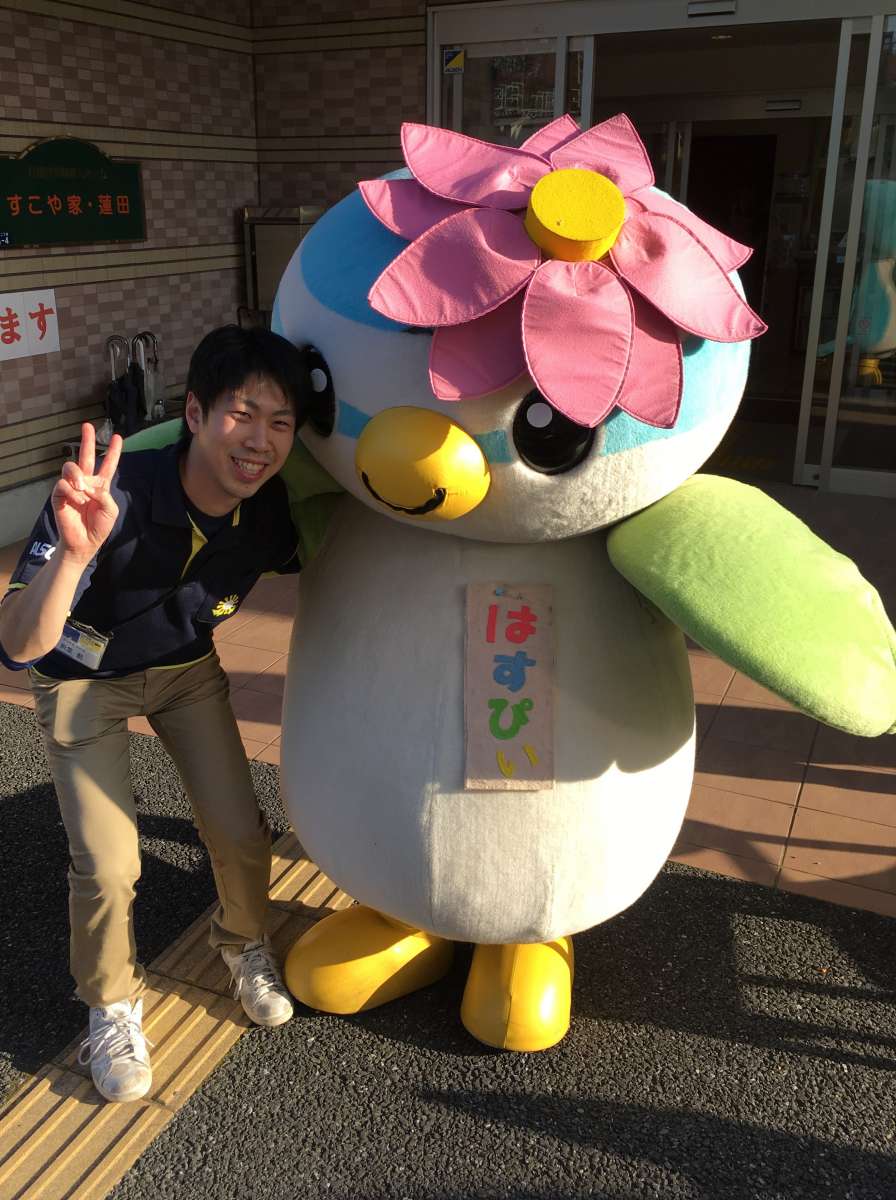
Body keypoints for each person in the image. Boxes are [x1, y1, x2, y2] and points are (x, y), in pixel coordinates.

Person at [0, 325, 311, 1103]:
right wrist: (75, 555)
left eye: (280, 423)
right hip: (81, 680)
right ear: (195, 414)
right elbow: (18, 645)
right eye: (243, 413)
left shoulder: (268, 514)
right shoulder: (113, 493)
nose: (260, 441)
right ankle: (110, 1004)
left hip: (183, 672)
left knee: (241, 831)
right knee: (109, 865)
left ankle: (243, 944)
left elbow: (333, 558)